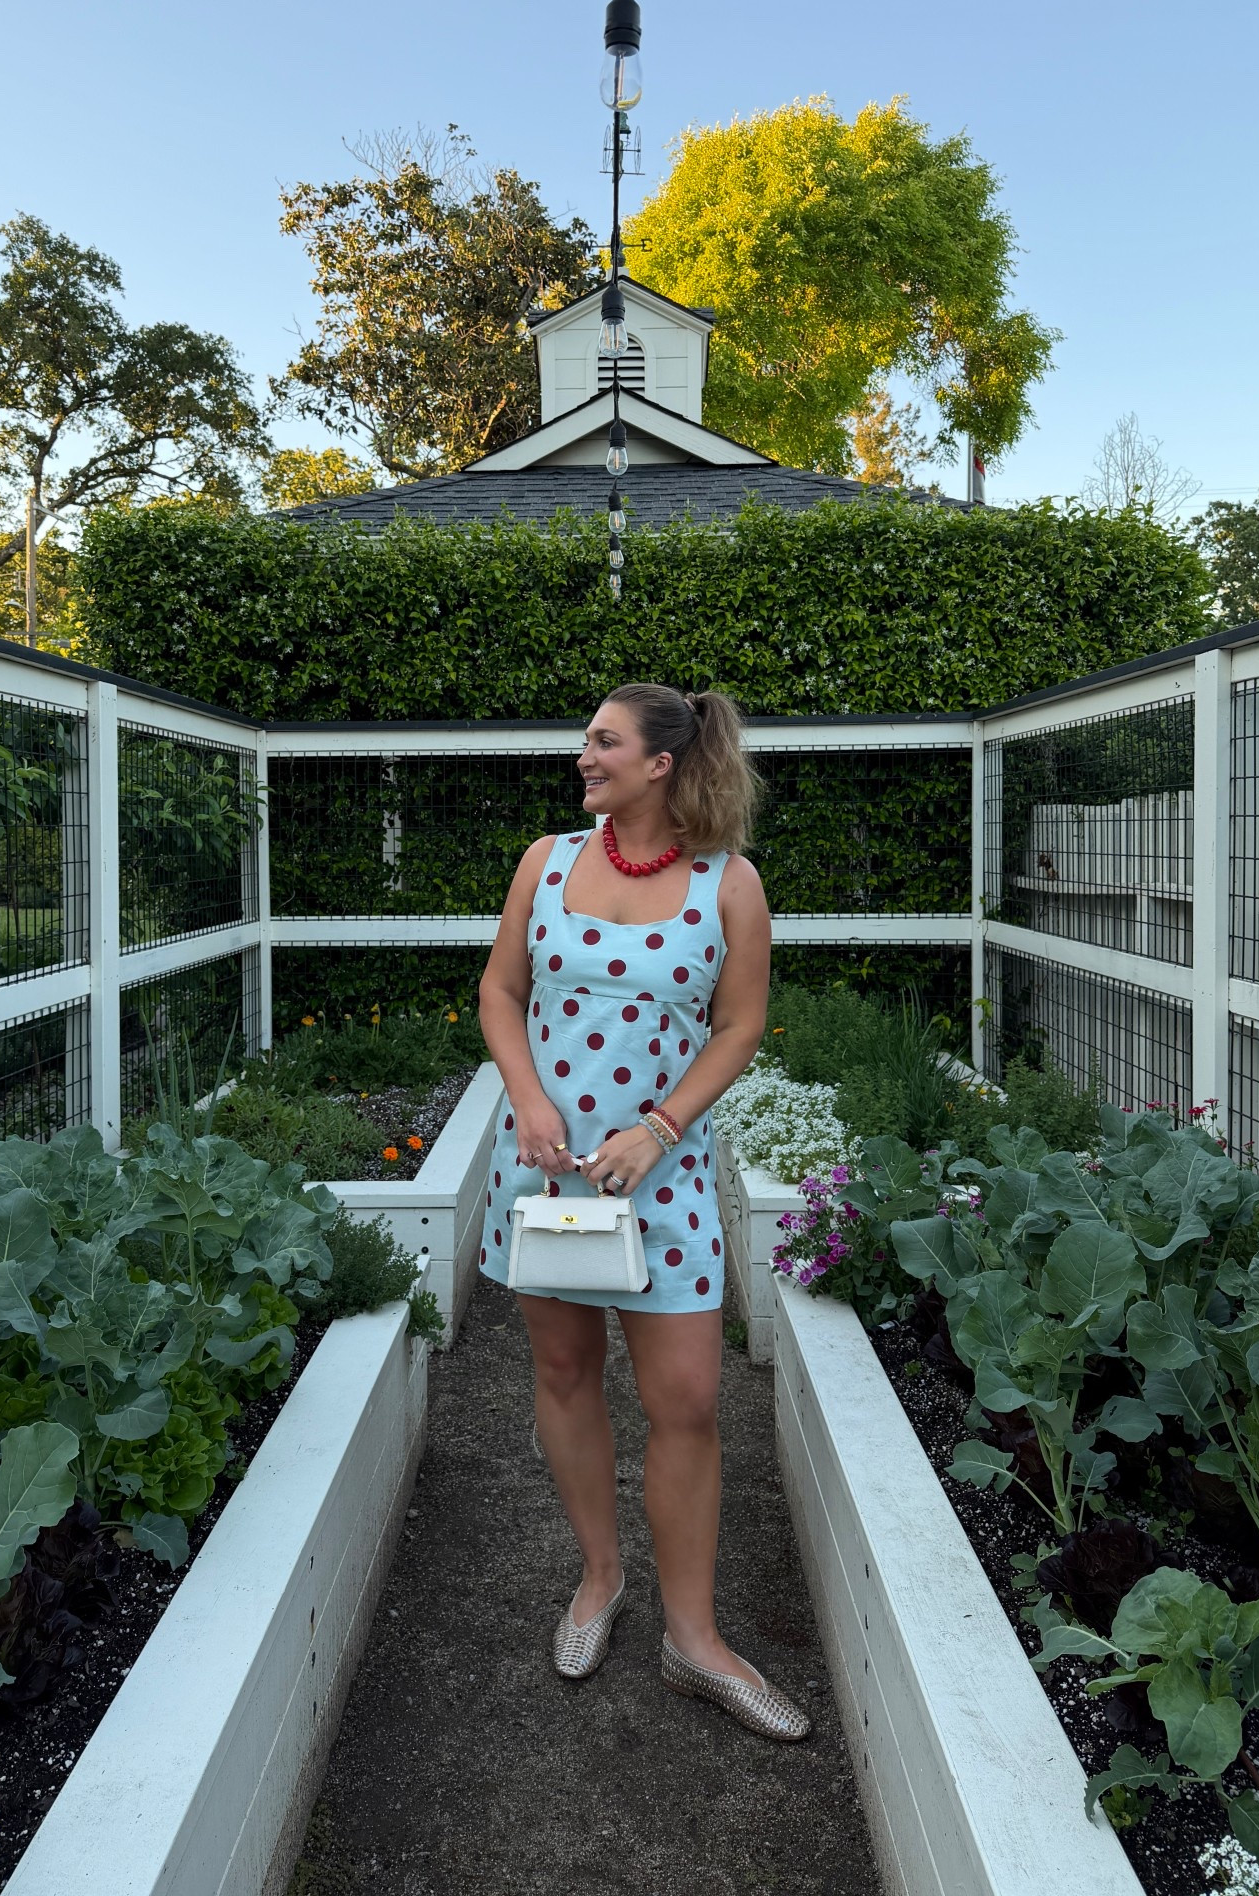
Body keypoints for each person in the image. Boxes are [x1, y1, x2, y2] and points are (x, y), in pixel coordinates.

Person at [477, 682, 811, 1741]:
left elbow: (739, 1027)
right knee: (566, 1371)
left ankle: (693, 1639)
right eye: (585, 739)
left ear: (662, 761)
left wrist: (658, 1129)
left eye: (604, 741)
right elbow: (500, 988)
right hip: (546, 1168)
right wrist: (529, 1100)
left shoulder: (730, 884)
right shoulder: (545, 860)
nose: (585, 755)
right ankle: (599, 1576)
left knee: (689, 1401)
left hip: (660, 1176)